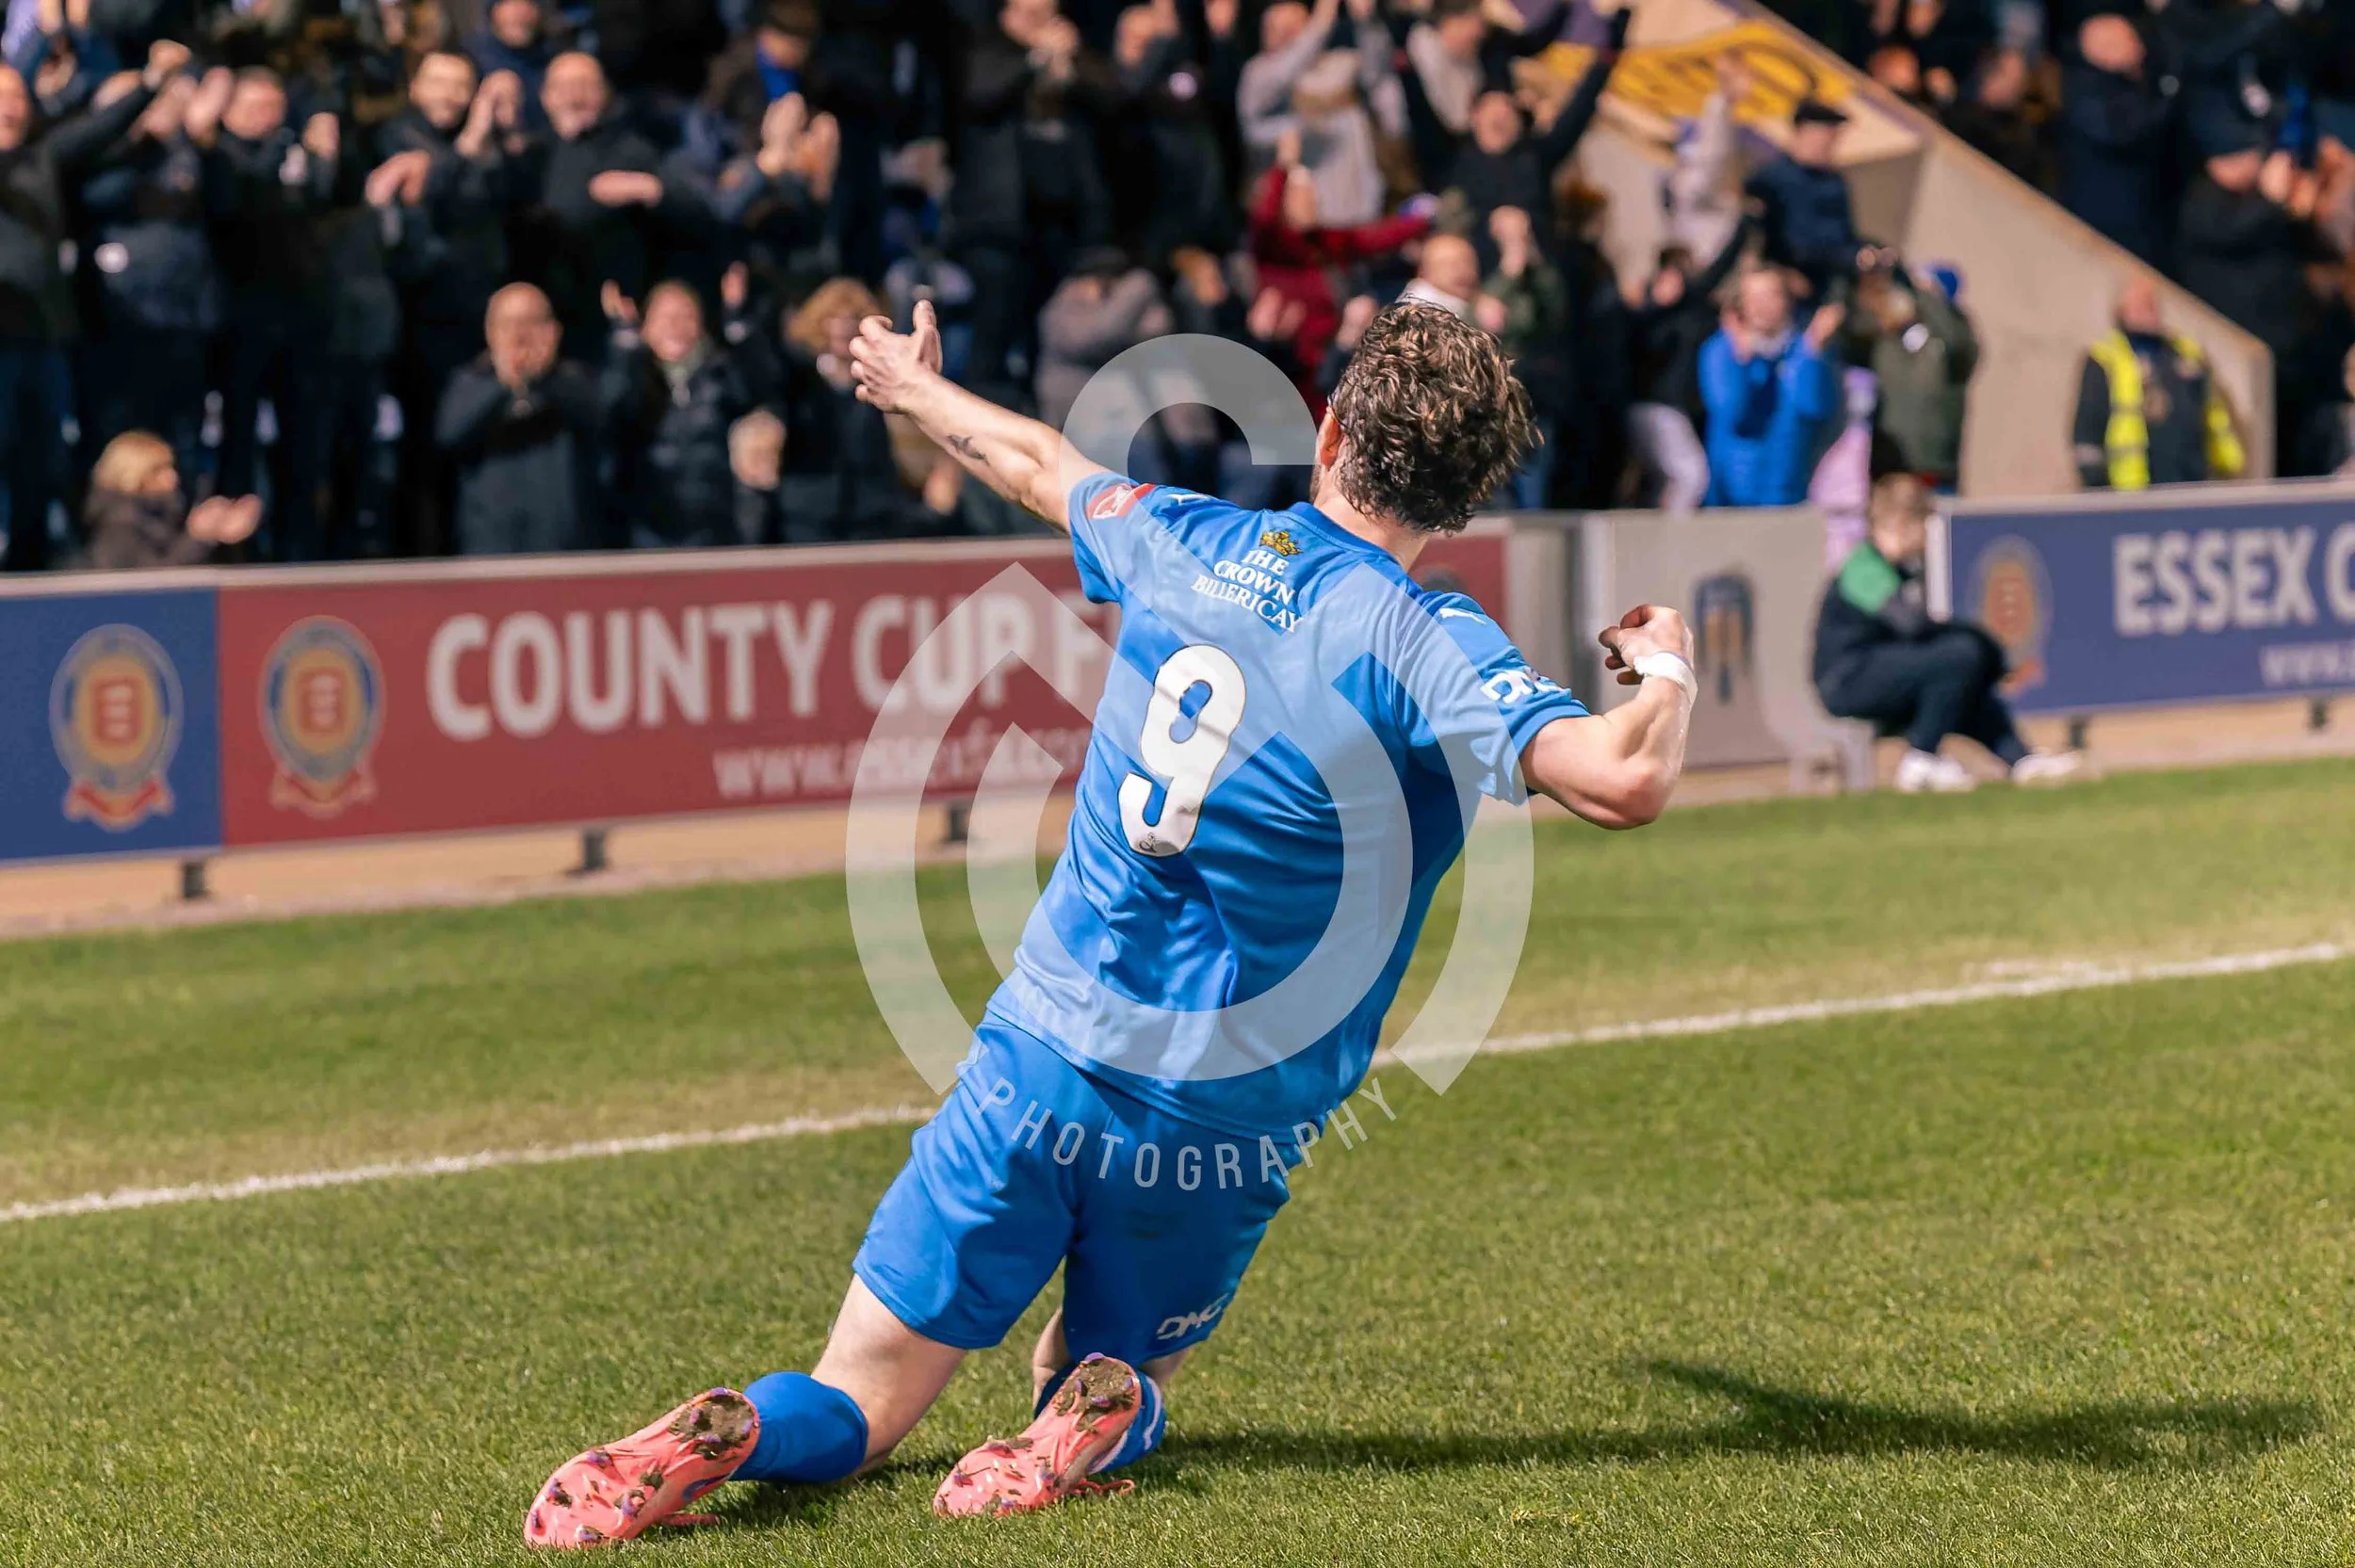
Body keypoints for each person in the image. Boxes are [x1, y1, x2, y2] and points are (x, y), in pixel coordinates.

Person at [521, 299, 1697, 1546]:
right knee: (1108, 1370)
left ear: (1333, 429)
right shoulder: (1430, 638)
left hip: (1041, 1052)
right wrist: (1665, 667)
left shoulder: (1183, 535)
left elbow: (1035, 460)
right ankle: (1095, 1405)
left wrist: (917, 393)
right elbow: (1622, 781)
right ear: (1461, 499)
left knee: (858, 1396)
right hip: (1222, 1113)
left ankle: (742, 1431)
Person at [0, 36, 184, 570]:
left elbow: (95, 131)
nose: (11, 105)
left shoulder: (42, 159)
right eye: (1, 95)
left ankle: (31, 564)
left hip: (43, 337)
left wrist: (150, 82)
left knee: (42, 459)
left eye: (17, 95)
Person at [1813, 474, 2081, 794]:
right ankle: (1921, 760)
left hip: (1882, 670)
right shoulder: (1863, 565)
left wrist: (1979, 649)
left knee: (1964, 674)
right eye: (1923, 527)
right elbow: (1910, 625)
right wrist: (1980, 643)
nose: (1926, 539)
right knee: (1959, 657)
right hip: (1847, 680)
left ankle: (2021, 760)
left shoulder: (1902, 569)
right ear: (1902, 524)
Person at [435, 281, 612, 554]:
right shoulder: (470, 382)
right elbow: (450, 435)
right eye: (508, 324)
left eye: (530, 322)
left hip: (563, 548)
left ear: (553, 330)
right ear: (490, 331)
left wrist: (541, 378)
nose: (519, 335)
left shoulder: (574, 380)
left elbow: (600, 417)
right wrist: (503, 384)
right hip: (491, 548)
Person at [2073, 276, 2246, 491]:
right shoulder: (2105, 358)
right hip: (2132, 491)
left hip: (2191, 483)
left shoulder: (2185, 353)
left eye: (2153, 304)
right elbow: (2088, 428)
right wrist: (2098, 486)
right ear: (2121, 309)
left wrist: (2227, 466)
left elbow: (2214, 415)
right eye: (2142, 304)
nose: (2151, 310)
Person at [1696, 267, 1842, 508]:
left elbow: (1815, 408)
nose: (1761, 306)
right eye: (1752, 298)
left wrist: (1812, 352)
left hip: (1788, 491)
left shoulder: (1805, 348)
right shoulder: (1721, 350)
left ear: (1787, 300)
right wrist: (1741, 362)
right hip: (1729, 498)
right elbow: (1732, 414)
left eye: (1770, 295)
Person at [1843, 248, 1976, 491]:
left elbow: (1957, 344)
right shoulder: (1883, 340)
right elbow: (1850, 327)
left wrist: (1927, 294)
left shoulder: (1952, 341)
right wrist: (1865, 272)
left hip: (1935, 468)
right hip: (1886, 468)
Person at [78, 428, 259, 568]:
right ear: (133, 475)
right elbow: (153, 585)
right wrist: (199, 536)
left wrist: (221, 534)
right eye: (159, 470)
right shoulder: (119, 527)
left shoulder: (164, 514)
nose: (172, 478)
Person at [1745, 97, 1857, 300]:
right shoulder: (1770, 180)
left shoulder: (1835, 183)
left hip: (1834, 279)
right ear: (1802, 132)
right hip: (1787, 285)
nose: (1830, 146)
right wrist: (1781, 274)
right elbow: (1754, 241)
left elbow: (1846, 236)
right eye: (1825, 137)